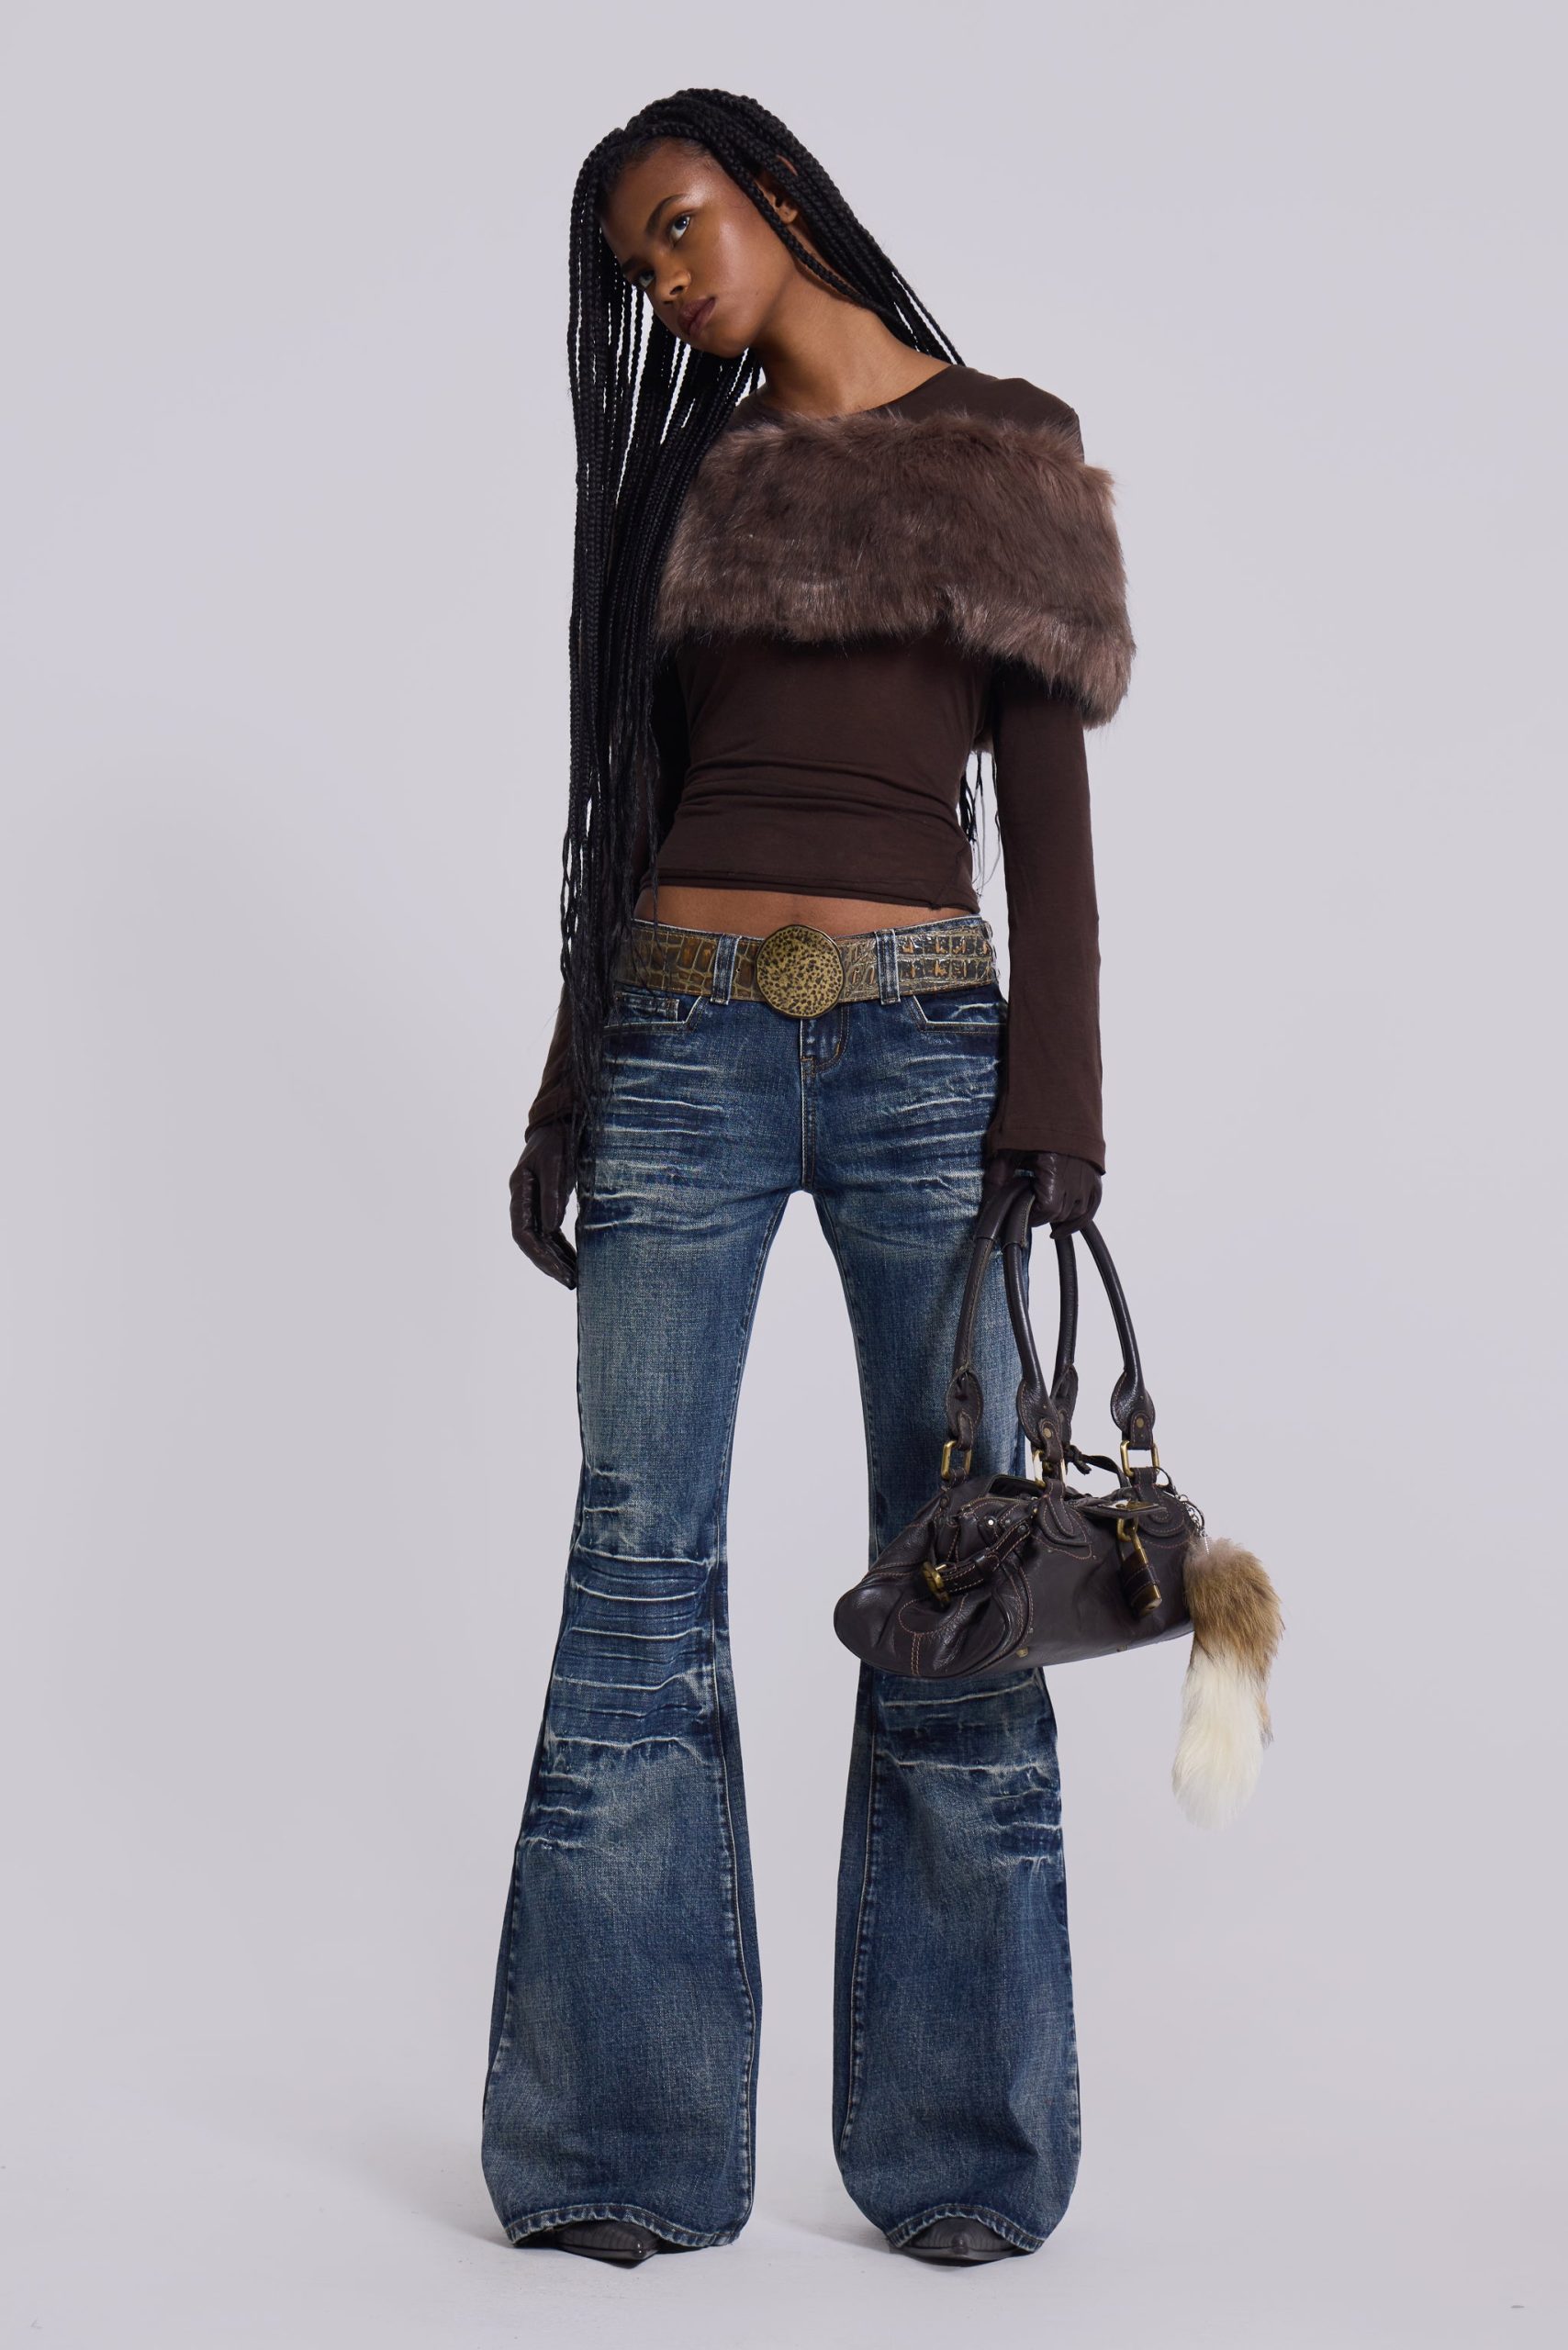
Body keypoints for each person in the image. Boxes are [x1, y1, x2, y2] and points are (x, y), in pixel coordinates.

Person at [481, 87, 1135, 2268]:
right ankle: (619, 2142)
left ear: (771, 190)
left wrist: (1056, 1114)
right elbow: (623, 800)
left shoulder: (1003, 443)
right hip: (679, 1031)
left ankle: (958, 2147)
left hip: (925, 1054)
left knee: (955, 1578)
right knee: (633, 1570)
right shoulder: (688, 480)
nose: (666, 282)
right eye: (634, 265)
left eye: (679, 226)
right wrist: (572, 1083)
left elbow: (1043, 817)